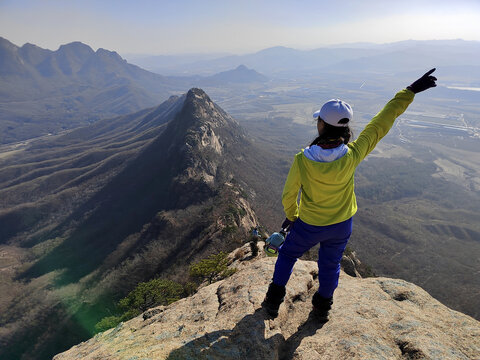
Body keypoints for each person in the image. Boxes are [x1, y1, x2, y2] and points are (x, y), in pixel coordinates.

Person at [262, 69, 437, 320]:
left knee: (288, 254)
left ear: (321, 125)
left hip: (309, 224)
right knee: (330, 265)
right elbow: (381, 123)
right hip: (341, 225)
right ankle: (322, 309)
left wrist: (293, 216)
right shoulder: (353, 154)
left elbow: (289, 196)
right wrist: (409, 91)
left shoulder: (303, 160)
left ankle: (272, 302)